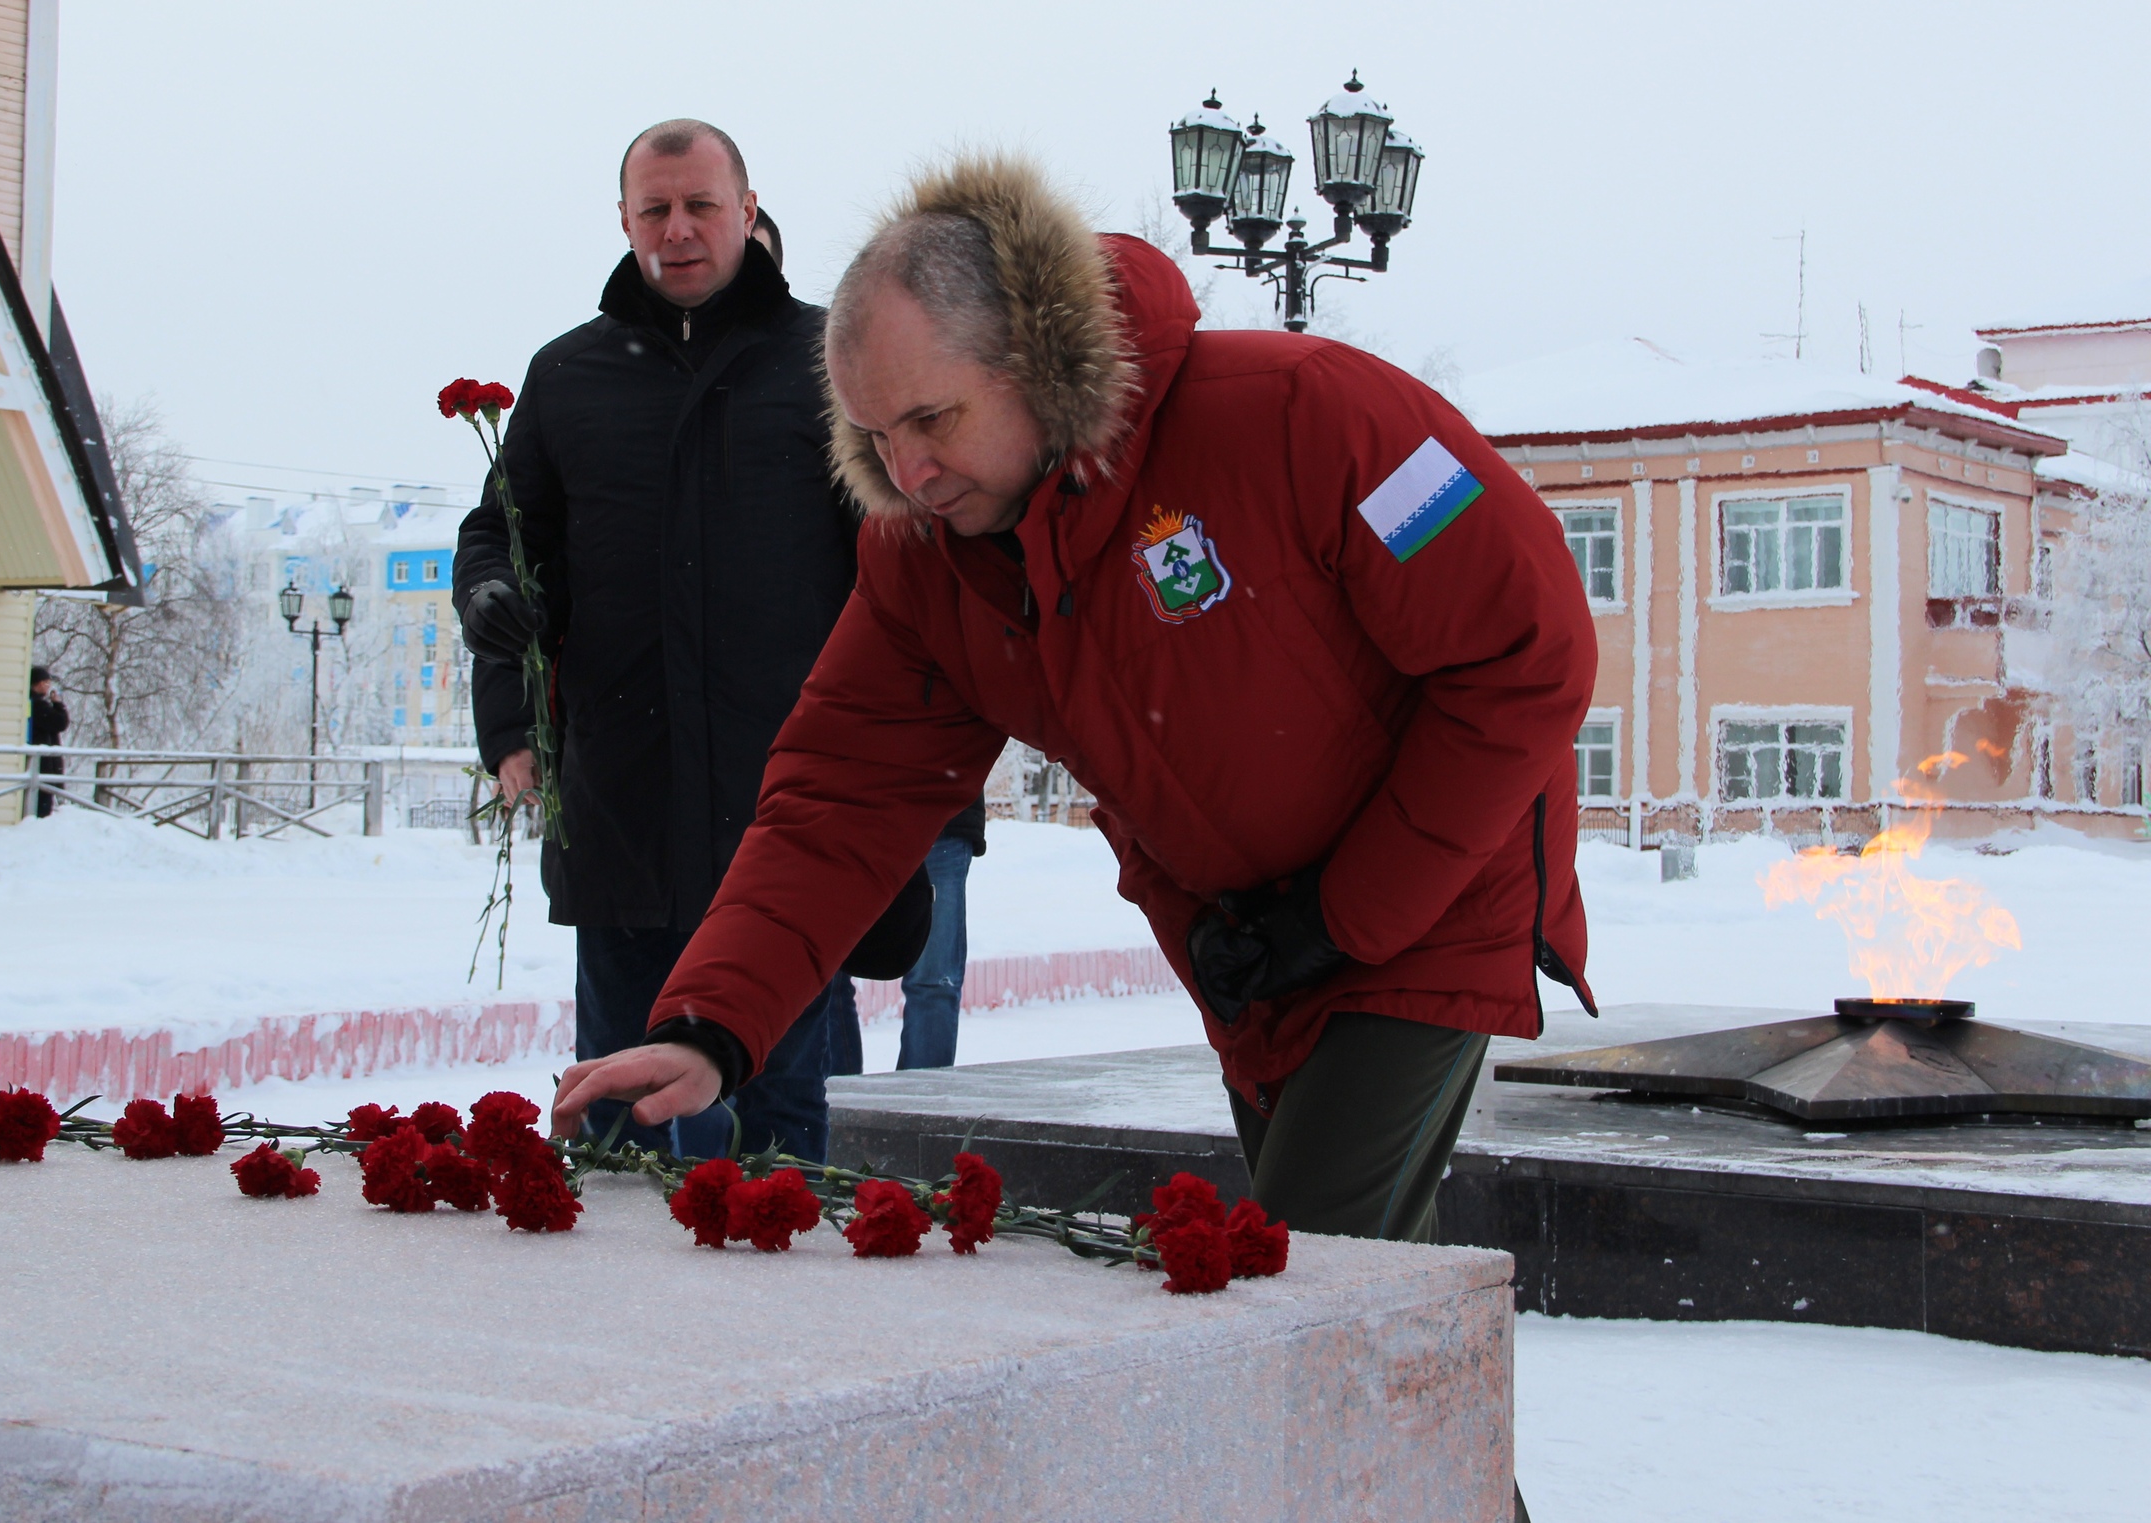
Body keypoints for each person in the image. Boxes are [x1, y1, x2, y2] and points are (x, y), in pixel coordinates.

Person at [554, 154, 1599, 1256]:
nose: (906, 471)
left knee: (1299, 1267)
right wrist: (710, 1024)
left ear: (1032, 359)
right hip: (1247, 946)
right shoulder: (926, 559)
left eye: (932, 419)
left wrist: (1341, 921)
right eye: (874, 436)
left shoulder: (1307, 413)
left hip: (1432, 899)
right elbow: (838, 798)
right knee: (1354, 1286)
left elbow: (1524, 652)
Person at [454, 120, 867, 1164]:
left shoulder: (832, 367)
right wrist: (494, 608)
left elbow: (900, 577)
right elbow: (504, 539)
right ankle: (612, 1311)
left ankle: (788, 1289)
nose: (677, 230)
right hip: (622, 794)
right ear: (626, 220)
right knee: (617, 1102)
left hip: (783, 795)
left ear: (746, 211)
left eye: (699, 206)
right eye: (655, 210)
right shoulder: (569, 375)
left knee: (783, 1114)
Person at [829, 797, 986, 1076]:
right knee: (823, 977)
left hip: (941, 813)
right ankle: (835, 1100)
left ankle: (920, 1102)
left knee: (935, 981)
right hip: (845, 811)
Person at [26, 666, 67, 818]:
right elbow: (60, 723)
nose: (49, 686)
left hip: (41, 763)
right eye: (46, 682)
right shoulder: (38, 705)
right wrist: (57, 704)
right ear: (38, 683)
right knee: (42, 807)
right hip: (44, 764)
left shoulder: (34, 703)